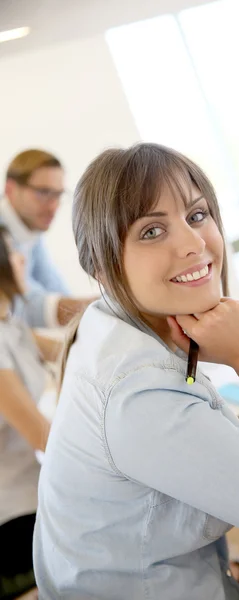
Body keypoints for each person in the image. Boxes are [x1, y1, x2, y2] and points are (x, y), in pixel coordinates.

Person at [33, 143, 239, 600]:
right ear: (102, 267)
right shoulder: (140, 397)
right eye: (151, 231)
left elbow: (231, 466)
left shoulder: (106, 326)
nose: (193, 244)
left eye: (196, 215)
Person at [0, 225, 61, 599]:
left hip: (34, 497)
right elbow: (43, 436)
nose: (23, 259)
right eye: (12, 252)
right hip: (14, 518)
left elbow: (73, 351)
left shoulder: (12, 326)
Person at [1, 149, 95, 328]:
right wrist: (90, 309)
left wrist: (85, 310)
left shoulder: (29, 228)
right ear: (10, 189)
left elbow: (50, 281)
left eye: (58, 194)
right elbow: (15, 305)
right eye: (43, 192)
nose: (54, 206)